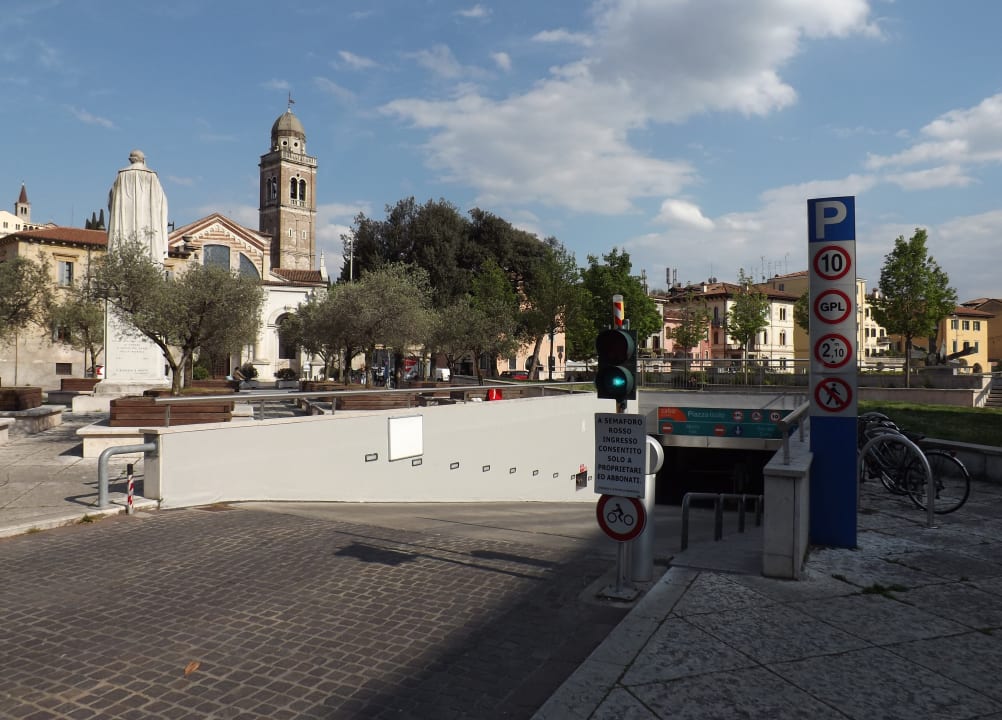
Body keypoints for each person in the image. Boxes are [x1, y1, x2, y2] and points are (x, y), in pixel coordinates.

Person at [107, 149, 168, 260]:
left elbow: (111, 198)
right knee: (147, 247)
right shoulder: (152, 175)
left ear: (131, 160)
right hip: (148, 223)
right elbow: (162, 201)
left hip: (125, 221)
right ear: (143, 159)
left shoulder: (121, 175)